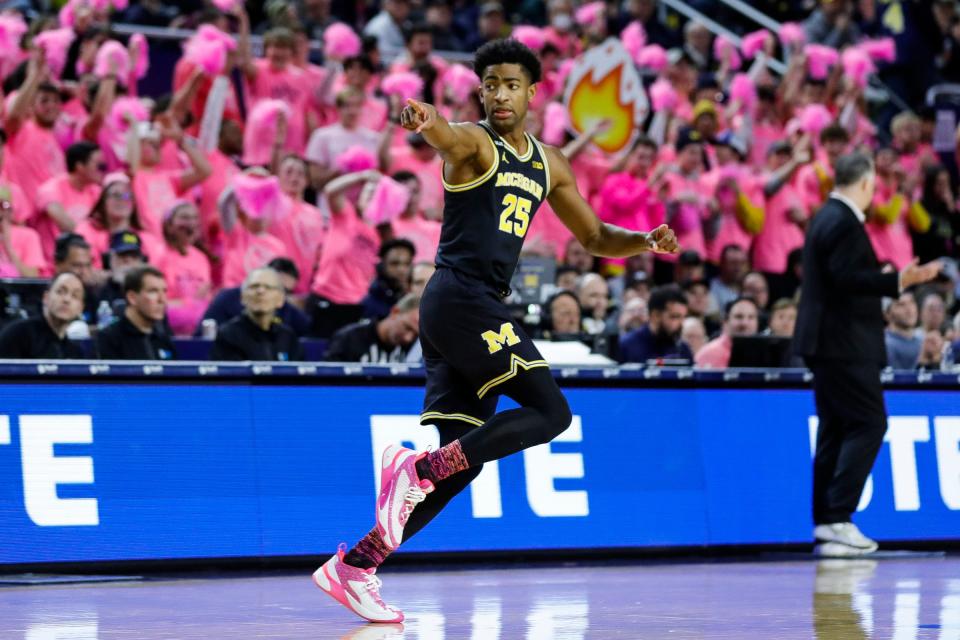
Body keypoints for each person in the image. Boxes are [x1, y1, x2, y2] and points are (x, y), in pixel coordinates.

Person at [314, 38, 678, 623]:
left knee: (465, 465)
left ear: (533, 92)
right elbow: (445, 134)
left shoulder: (550, 162)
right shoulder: (474, 144)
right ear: (479, 92)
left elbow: (592, 238)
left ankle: (357, 563)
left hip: (461, 308)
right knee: (551, 413)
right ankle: (415, 469)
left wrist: (643, 240)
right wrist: (425, 120)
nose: (500, 94)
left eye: (511, 84)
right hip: (462, 300)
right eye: (490, 84)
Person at [794, 152, 942, 557]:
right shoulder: (843, 221)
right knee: (870, 422)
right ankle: (838, 516)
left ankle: (828, 522)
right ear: (864, 183)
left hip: (826, 342)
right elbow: (846, 279)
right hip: (844, 343)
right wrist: (898, 279)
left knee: (835, 429)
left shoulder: (826, 216)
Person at [209, 267, 304, 361]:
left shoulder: (288, 337)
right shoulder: (228, 335)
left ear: (281, 299)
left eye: (268, 287)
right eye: (254, 286)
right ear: (242, 297)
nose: (260, 291)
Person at [197, 257, 310, 337]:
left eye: (285, 291)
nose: (262, 292)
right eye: (266, 286)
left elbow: (311, 333)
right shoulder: (227, 300)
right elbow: (202, 337)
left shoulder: (286, 309)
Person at [95, 265, 176, 360]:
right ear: (132, 297)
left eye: (164, 291)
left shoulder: (163, 339)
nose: (162, 300)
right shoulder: (109, 339)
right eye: (153, 291)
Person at [0, 272, 85, 359]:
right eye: (60, 292)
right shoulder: (19, 334)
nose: (67, 299)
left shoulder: (74, 353)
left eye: (75, 296)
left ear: (81, 308)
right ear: (46, 298)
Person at [324, 293, 421, 362]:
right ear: (395, 312)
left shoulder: (414, 348)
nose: (408, 338)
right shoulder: (350, 338)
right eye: (407, 327)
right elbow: (328, 380)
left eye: (415, 335)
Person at [616, 284, 690, 361]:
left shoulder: (682, 350)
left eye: (683, 317)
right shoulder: (626, 346)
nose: (681, 323)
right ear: (656, 315)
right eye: (675, 316)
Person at [694, 297, 760, 369]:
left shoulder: (763, 354)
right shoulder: (708, 353)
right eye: (738, 317)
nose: (745, 323)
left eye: (751, 317)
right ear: (725, 322)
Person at [361, 238, 414, 320]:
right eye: (394, 263)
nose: (402, 270)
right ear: (382, 265)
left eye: (407, 264)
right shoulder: (367, 304)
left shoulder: (417, 299)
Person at [883, 292, 922, 369]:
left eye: (912, 302)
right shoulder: (885, 345)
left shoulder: (922, 340)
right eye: (901, 304)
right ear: (887, 314)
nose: (909, 309)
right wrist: (922, 362)